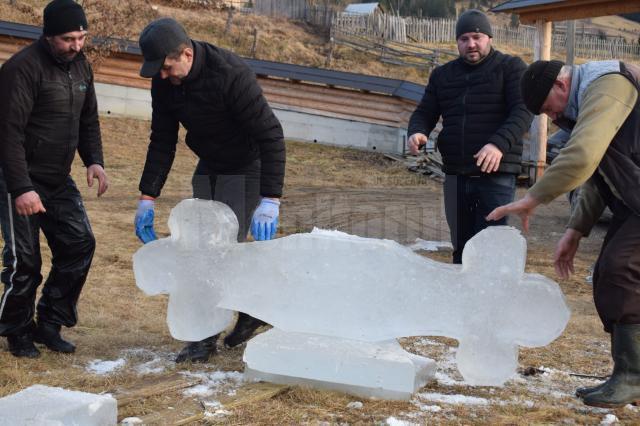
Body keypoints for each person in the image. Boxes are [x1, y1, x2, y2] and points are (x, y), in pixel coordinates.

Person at [487, 59, 640, 408]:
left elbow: (584, 154)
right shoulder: (587, 101)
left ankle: (634, 377)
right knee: (606, 276)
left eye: (547, 109)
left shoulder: (608, 86)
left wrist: (533, 198)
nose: (552, 118)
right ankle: (628, 373)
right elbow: (600, 174)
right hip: (634, 202)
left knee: (621, 270)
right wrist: (574, 231)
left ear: (560, 85)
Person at [135, 18, 285, 363]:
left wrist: (270, 199)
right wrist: (147, 195)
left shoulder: (230, 74)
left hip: (247, 165)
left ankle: (208, 336)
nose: (162, 76)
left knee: (217, 252)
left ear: (186, 54)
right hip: (211, 162)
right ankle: (247, 314)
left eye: (167, 67)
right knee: (196, 246)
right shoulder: (166, 82)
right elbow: (162, 140)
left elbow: (271, 136)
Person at [0, 0, 108, 358]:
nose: (76, 45)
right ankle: (16, 331)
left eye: (82, 37)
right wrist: (22, 188)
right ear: (48, 36)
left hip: (58, 179)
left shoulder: (81, 67)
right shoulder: (22, 69)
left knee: (79, 244)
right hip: (19, 178)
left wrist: (94, 161)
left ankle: (49, 323)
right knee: (25, 263)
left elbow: (88, 119)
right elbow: (8, 134)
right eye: (67, 39)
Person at [407, 9, 533, 264]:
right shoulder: (443, 75)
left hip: (496, 174)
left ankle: (489, 302)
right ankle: (460, 302)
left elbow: (523, 110)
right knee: (461, 247)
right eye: (464, 39)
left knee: (489, 246)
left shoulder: (511, 68)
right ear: (457, 42)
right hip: (456, 173)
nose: (471, 44)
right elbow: (425, 111)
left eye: (476, 36)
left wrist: (498, 145)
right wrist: (417, 131)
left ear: (489, 37)